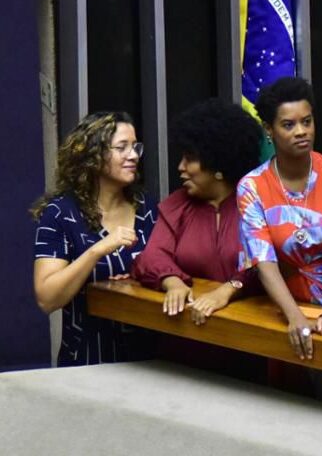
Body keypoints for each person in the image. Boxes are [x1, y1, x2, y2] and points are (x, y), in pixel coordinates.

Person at [237, 77, 322, 361]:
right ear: (268, 129)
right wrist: (294, 317)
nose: (301, 131)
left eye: (307, 122)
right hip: (284, 308)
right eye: (288, 125)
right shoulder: (252, 187)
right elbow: (264, 261)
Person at [32, 112, 157, 366]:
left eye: (135, 147)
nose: (133, 155)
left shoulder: (146, 208)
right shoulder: (60, 214)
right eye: (122, 147)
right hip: (88, 358)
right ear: (93, 156)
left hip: (148, 358)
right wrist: (97, 251)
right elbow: (47, 298)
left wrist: (136, 279)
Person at [131, 99, 264, 324]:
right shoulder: (178, 205)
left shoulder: (255, 206)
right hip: (186, 330)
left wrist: (228, 290)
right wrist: (173, 282)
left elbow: (265, 266)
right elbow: (152, 256)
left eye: (190, 159)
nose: (180, 167)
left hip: (248, 331)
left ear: (218, 165)